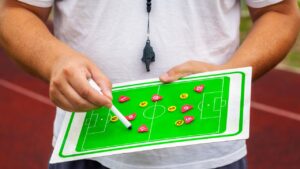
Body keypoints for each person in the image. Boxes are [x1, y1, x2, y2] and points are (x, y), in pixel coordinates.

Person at [0, 0, 299, 168]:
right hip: (87, 154)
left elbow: (280, 11)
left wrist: (230, 75)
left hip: (210, 157)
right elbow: (14, 10)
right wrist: (54, 60)